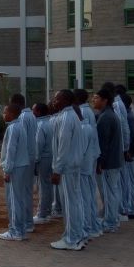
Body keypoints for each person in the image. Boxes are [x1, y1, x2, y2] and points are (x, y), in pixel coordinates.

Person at [49, 89, 86, 251]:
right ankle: (76, 235)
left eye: (57, 99)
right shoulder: (73, 116)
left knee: (70, 203)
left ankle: (71, 239)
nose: (54, 101)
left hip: (67, 167)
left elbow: (63, 147)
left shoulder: (66, 118)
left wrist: (57, 170)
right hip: (74, 165)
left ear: (64, 100)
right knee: (75, 201)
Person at [0, 102, 32, 241]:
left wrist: (7, 170)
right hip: (21, 166)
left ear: (11, 114)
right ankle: (21, 230)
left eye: (5, 112)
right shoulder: (19, 126)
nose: (3, 115)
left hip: (15, 168)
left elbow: (11, 150)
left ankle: (15, 231)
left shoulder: (13, 128)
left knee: (13, 200)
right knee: (18, 199)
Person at [92, 85, 124, 233]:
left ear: (105, 100)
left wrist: (100, 162)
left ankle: (111, 222)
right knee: (112, 191)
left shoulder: (106, 118)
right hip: (114, 160)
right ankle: (112, 219)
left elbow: (102, 144)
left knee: (109, 192)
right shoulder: (109, 114)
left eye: (96, 98)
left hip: (109, 162)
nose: (94, 100)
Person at [75, 89, 102, 242]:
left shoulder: (83, 114)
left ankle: (87, 227)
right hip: (91, 158)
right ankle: (92, 225)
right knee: (89, 194)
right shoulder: (89, 112)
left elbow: (82, 143)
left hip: (85, 161)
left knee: (85, 195)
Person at [11, 93, 38, 235]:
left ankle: (24, 223)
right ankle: (28, 222)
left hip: (24, 159)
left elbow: (19, 140)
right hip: (30, 156)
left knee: (21, 193)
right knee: (26, 191)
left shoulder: (22, 118)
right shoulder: (31, 116)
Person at [32, 102, 59, 224]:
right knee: (48, 185)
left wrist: (35, 160)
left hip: (43, 158)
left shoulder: (40, 125)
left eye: (33, 110)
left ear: (38, 112)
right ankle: (47, 211)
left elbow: (38, 145)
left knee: (43, 186)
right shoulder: (50, 122)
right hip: (51, 157)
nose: (32, 112)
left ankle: (42, 213)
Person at [112, 83, 132, 222]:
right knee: (122, 182)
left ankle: (123, 209)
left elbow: (126, 130)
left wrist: (126, 149)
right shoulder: (122, 108)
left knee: (120, 182)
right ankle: (124, 208)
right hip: (122, 150)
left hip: (120, 152)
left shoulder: (117, 108)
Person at [121, 91, 134, 219]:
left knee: (130, 180)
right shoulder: (128, 113)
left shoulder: (128, 116)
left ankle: (131, 208)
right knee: (129, 180)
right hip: (131, 151)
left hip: (130, 152)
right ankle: (130, 207)